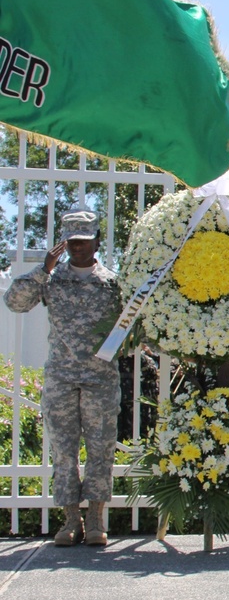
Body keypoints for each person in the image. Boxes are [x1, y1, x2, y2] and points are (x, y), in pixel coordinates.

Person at [3, 209, 121, 547]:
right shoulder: (52, 279)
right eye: (72, 241)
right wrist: (43, 270)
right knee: (64, 451)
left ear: (97, 241)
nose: (78, 247)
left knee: (100, 449)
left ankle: (96, 516)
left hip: (100, 378)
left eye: (84, 241)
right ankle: (71, 518)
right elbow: (14, 302)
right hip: (62, 378)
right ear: (63, 243)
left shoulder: (112, 283)